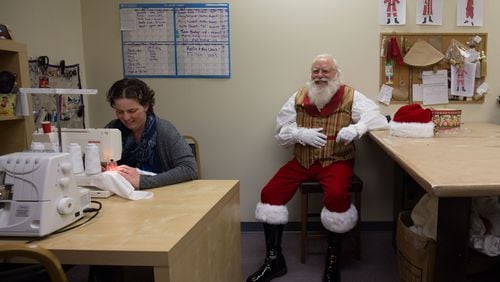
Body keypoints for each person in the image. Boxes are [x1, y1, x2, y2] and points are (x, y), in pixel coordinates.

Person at [246, 54, 388, 282]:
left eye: (325, 71)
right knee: (269, 193)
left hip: (337, 160)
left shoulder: (351, 95)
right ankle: (274, 260)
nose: (320, 76)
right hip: (302, 160)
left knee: (337, 196)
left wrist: (357, 128)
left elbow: (377, 117)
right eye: (315, 71)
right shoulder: (299, 96)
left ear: (336, 73)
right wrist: (298, 133)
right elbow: (281, 131)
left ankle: (332, 262)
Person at [105, 78, 198, 189]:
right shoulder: (113, 129)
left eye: (132, 111)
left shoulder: (163, 130)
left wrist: (142, 182)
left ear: (146, 106)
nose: (125, 118)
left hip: (164, 195)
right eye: (120, 112)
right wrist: (100, 165)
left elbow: (189, 169)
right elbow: (88, 159)